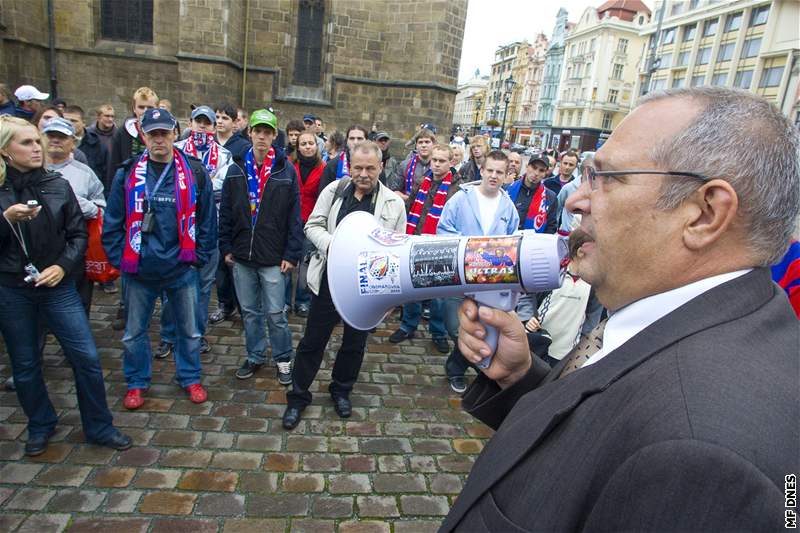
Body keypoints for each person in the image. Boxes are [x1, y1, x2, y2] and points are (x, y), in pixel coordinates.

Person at [440, 87, 799, 531]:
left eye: (607, 178)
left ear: (706, 213)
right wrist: (521, 379)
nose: (574, 200)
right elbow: (596, 445)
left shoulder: (704, 457)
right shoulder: (697, 318)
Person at [0, 115, 132, 455]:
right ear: (4, 151)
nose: (36, 148)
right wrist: (5, 221)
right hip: (14, 289)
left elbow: (77, 235)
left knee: (86, 357)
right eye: (26, 142)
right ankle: (40, 423)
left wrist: (62, 266)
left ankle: (99, 425)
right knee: (25, 364)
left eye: (36, 141)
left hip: (58, 287)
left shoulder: (58, 185)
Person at [282, 141, 406, 429]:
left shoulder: (393, 204)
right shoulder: (334, 191)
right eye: (358, 167)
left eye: (370, 168)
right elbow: (312, 226)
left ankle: (341, 389)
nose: (363, 174)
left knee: (354, 342)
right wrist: (336, 246)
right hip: (330, 277)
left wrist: (388, 297)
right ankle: (298, 396)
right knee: (313, 340)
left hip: (367, 286)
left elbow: (397, 249)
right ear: (350, 167)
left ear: (381, 167)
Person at [103, 108, 216, 410]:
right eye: (152, 134)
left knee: (189, 330)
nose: (159, 139)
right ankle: (137, 382)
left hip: (181, 269)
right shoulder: (126, 173)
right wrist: (120, 259)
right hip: (138, 271)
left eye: (164, 133)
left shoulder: (194, 171)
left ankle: (189, 376)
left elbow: (207, 221)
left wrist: (198, 258)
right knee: (134, 333)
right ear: (143, 136)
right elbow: (112, 220)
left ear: (175, 134)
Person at [219, 109, 303, 384]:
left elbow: (295, 216)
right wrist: (226, 247)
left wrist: (291, 254)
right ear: (250, 133)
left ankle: (283, 358)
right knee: (250, 313)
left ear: (274, 136)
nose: (263, 137)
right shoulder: (235, 169)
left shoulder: (285, 170)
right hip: (243, 255)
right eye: (259, 131)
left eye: (268, 132)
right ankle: (255, 355)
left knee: (276, 314)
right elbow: (227, 214)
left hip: (273, 257)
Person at [436, 150, 519, 393]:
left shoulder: (508, 208)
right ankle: (465, 361)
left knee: (480, 329)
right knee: (455, 327)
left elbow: (512, 244)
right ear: (482, 170)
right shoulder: (461, 199)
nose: (494, 176)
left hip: (489, 283)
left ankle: (456, 369)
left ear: (506, 176)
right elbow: (444, 229)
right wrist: (471, 248)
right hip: (459, 277)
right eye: (490, 170)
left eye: (499, 172)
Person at [155, 105, 235, 356]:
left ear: (214, 127)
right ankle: (168, 334)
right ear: (190, 123)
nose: (202, 126)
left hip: (208, 228)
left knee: (202, 287)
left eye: (207, 123)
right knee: (172, 286)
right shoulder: (175, 150)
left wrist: (198, 189)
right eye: (198, 122)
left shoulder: (224, 155)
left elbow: (222, 190)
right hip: (175, 232)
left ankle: (196, 335)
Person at [389, 144, 461, 354]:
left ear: (451, 163)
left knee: (438, 294)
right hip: (417, 240)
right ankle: (407, 326)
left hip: (440, 247)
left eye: (441, 161)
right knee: (412, 288)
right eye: (434, 160)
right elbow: (410, 206)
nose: (436, 164)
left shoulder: (457, 189)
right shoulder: (423, 182)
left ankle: (438, 332)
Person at [42, 117, 106, 314]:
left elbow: (101, 207)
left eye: (61, 137)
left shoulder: (84, 173)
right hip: (40, 250)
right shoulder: (34, 169)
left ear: (73, 142)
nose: (55, 141)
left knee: (79, 301)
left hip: (75, 249)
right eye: (51, 136)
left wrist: (79, 204)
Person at [286, 130, 326, 317]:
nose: (307, 147)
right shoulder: (289, 164)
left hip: (311, 221)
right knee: (286, 261)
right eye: (303, 143)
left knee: (306, 263)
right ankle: (285, 301)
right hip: (289, 219)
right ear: (298, 146)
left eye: (311, 143)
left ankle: (302, 300)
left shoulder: (324, 168)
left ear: (316, 146)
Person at [63, 105, 109, 187]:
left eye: (73, 121)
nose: (69, 124)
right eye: (65, 120)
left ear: (83, 123)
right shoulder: (56, 144)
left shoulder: (98, 145)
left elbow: (106, 175)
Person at [316, 125, 368, 193]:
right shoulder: (332, 165)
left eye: (360, 138)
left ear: (367, 141)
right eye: (352, 138)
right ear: (347, 141)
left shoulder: (374, 166)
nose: (355, 142)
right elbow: (323, 194)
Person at [390, 128, 435, 201]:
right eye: (420, 142)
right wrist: (410, 200)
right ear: (416, 146)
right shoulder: (404, 165)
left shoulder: (439, 166)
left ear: (433, 144)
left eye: (427, 142)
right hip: (408, 208)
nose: (423, 145)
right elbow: (394, 190)